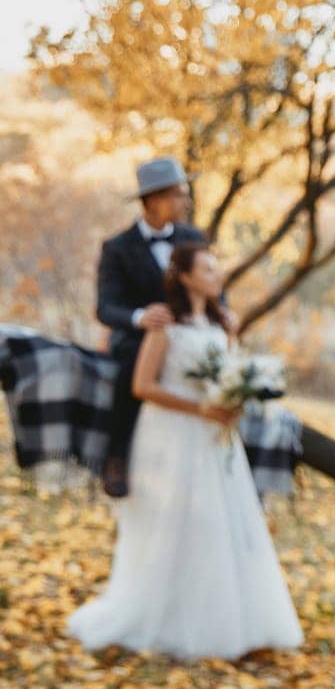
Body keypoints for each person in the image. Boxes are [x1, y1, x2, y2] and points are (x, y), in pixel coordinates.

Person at [67, 243, 303, 662]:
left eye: (217, 269)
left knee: (219, 523)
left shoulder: (222, 323)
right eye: (208, 270)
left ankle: (227, 622)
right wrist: (200, 409)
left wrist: (234, 399)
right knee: (170, 525)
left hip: (213, 441)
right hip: (170, 435)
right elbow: (143, 385)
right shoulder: (165, 323)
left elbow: (228, 375)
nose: (217, 276)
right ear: (186, 276)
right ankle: (160, 618)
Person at [95, 156, 213, 499]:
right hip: (138, 337)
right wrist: (139, 317)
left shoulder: (193, 237)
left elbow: (212, 282)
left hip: (190, 332)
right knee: (133, 362)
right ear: (155, 199)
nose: (186, 201)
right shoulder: (117, 248)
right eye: (179, 194)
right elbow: (105, 307)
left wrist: (225, 312)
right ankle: (117, 456)